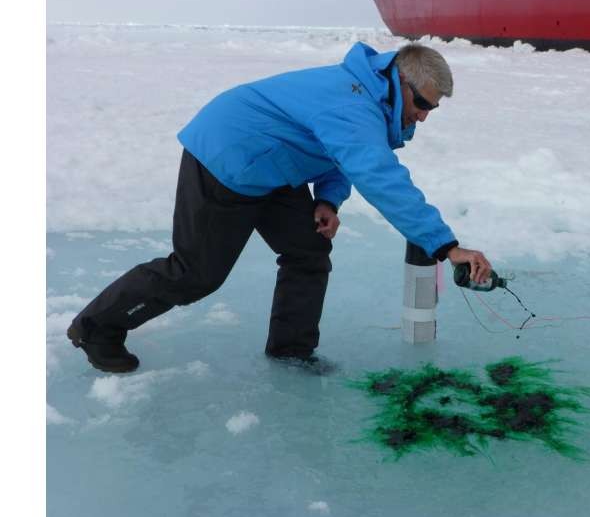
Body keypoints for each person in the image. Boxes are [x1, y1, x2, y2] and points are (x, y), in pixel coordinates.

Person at [67, 41, 493, 373]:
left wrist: (327, 198)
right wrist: (446, 247)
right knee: (196, 273)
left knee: (308, 252)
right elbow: (379, 175)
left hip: (273, 165)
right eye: (423, 104)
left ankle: (291, 351)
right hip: (228, 158)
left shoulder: (369, 98)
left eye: (432, 109)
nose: (423, 117)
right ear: (401, 81)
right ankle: (95, 328)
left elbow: (343, 153)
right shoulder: (352, 104)